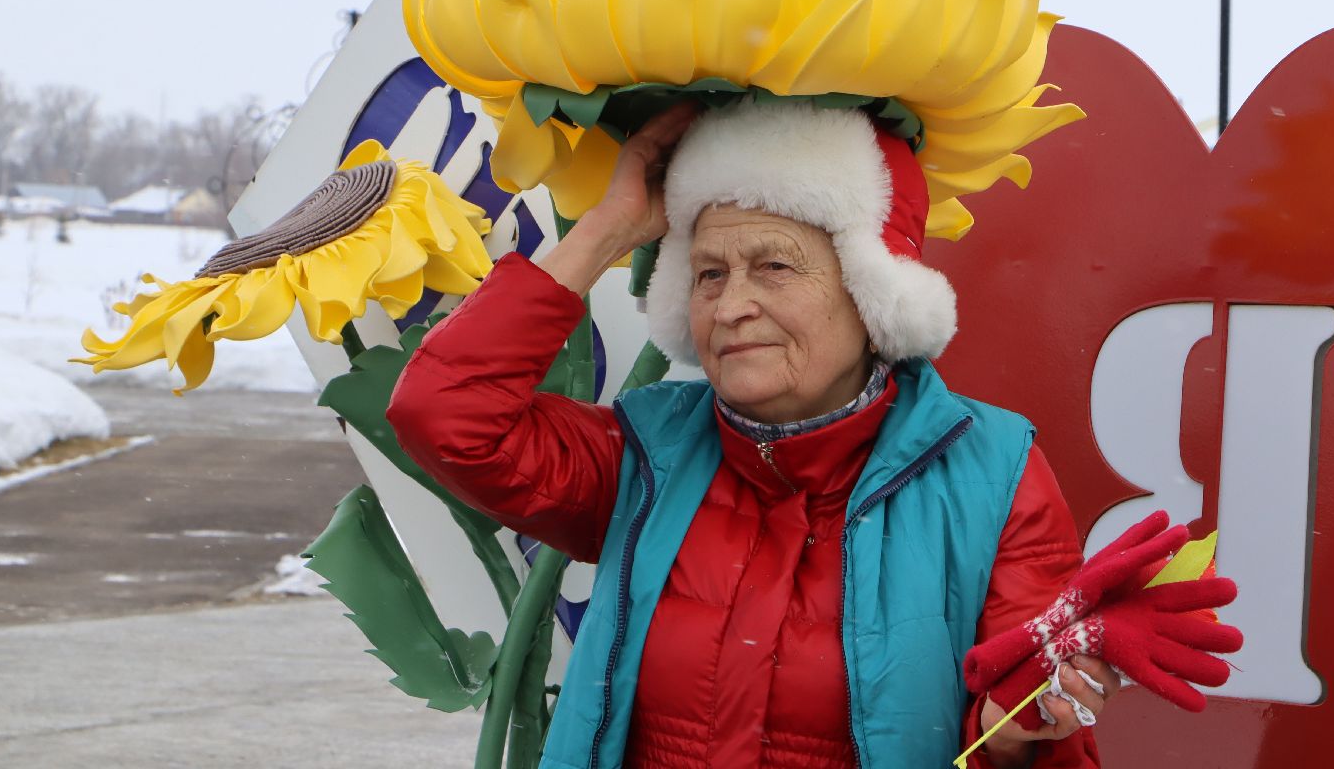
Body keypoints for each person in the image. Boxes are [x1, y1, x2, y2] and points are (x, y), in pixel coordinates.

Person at [388, 98, 1117, 769]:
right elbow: (444, 413)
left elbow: (1041, 727)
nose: (732, 305)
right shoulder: (643, 459)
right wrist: (610, 227)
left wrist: (1013, 736)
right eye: (707, 273)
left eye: (773, 266)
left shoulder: (991, 473)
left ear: (870, 291)